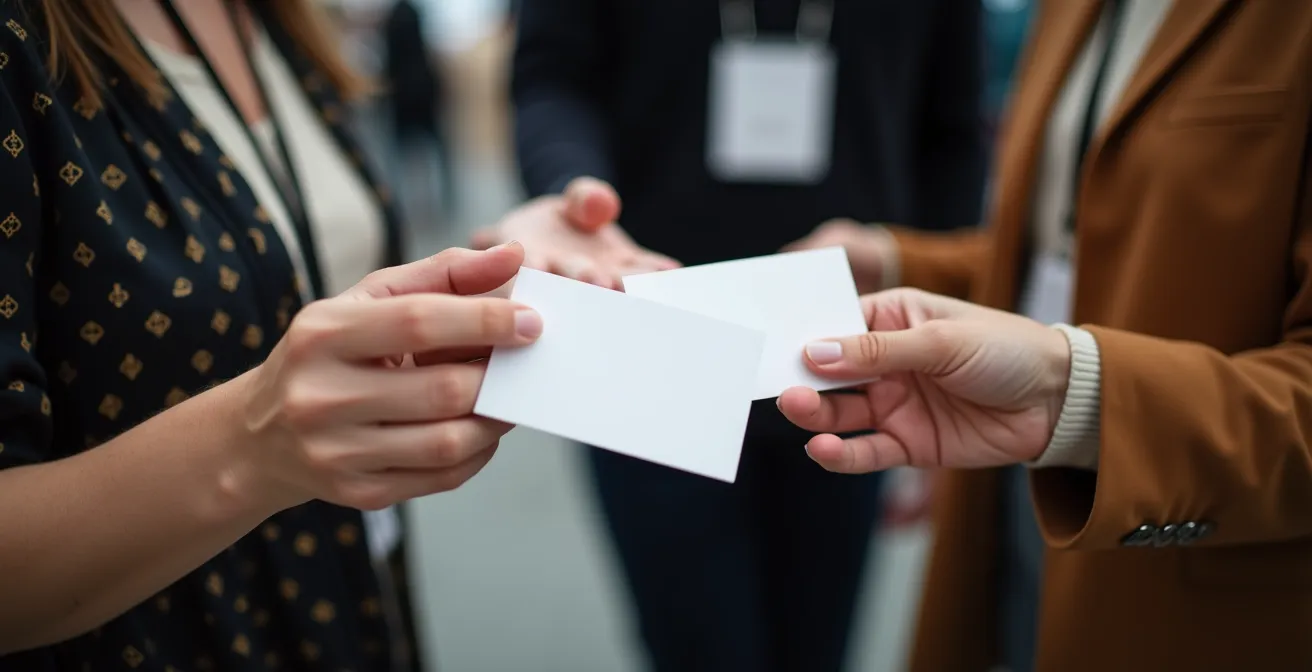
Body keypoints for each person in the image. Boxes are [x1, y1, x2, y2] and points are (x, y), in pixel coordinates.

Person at [0, 1, 565, 668]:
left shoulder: (275, 17)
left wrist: (504, 258)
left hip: (352, 605)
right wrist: (252, 443)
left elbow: (292, 264)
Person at [774, 1, 1312, 670]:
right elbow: (1070, 250)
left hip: (1189, 561)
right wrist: (892, 261)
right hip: (1017, 483)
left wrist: (1075, 394)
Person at [483, 2, 987, 670]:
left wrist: (942, 347)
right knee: (693, 646)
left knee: (818, 645)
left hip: (848, 342)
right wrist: (572, 187)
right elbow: (553, 75)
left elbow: (951, 132)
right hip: (643, 332)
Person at [382, 0, 455, 226]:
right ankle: (448, 198)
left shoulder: (393, 16)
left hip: (402, 93)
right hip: (422, 90)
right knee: (439, 151)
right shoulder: (413, 13)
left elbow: (390, 60)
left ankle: (396, 204)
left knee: (400, 154)